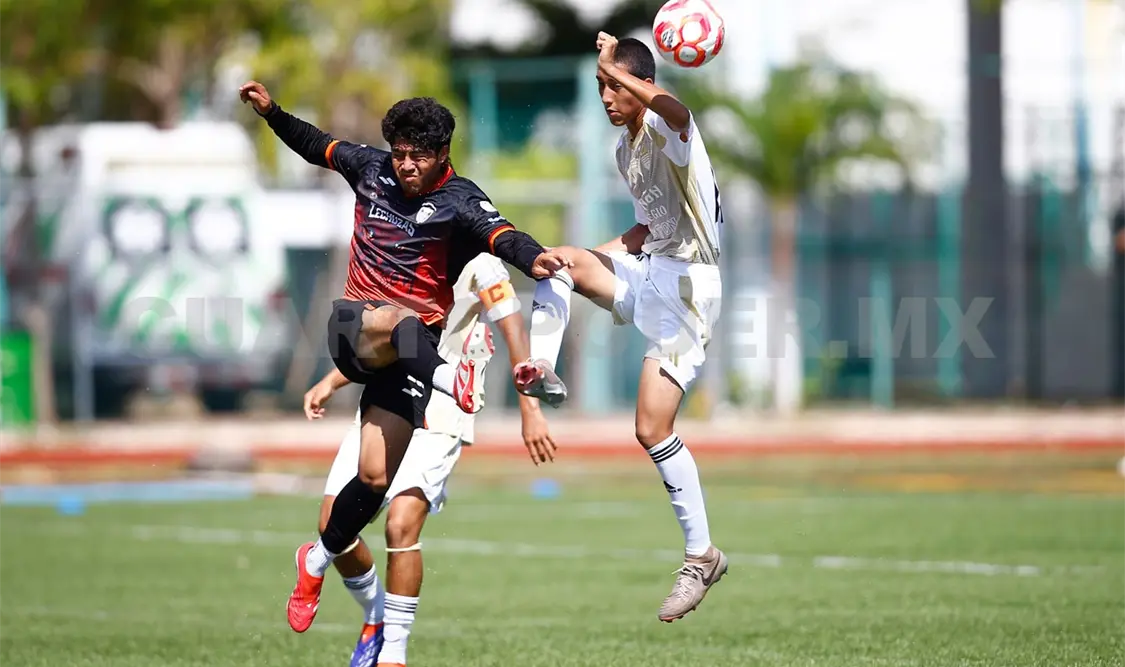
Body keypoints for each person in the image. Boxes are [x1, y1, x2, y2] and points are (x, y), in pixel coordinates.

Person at [238, 81, 569, 633]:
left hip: (411, 357)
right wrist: (272, 113)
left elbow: (504, 235)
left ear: (443, 154)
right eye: (400, 153)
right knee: (395, 317)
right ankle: (451, 380)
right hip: (357, 326)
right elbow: (315, 143)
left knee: (373, 479)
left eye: (419, 156)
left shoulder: (461, 200)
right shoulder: (370, 169)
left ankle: (315, 560)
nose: (407, 164)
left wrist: (535, 259)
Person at [512, 34, 727, 622]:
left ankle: (701, 556)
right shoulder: (622, 149)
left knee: (650, 427)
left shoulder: (668, 129)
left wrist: (617, 67)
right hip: (651, 270)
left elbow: (678, 111)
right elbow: (644, 229)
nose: (606, 97)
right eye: (601, 86)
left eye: (613, 85)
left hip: (691, 291)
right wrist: (588, 261)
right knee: (555, 261)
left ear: (639, 84)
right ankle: (543, 365)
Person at [306, 252, 556, 667]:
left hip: (443, 409)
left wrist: (530, 408)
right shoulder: (404, 252)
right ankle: (376, 616)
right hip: (387, 400)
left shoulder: (480, 262)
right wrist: (333, 381)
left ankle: (394, 653)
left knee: (400, 524)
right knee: (332, 524)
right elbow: (389, 336)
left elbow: (512, 326)